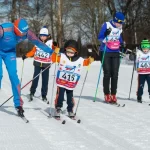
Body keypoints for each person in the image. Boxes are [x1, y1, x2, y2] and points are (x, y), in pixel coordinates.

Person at [0, 18, 53, 117]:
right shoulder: (4, 29)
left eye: (25, 33)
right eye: (21, 33)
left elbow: (38, 43)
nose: (23, 35)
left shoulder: (27, 33)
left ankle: (18, 105)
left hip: (10, 53)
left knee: (14, 77)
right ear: (15, 29)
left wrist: (51, 52)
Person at [50, 39, 94, 119]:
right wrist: (55, 52)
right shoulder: (62, 57)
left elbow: (85, 62)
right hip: (61, 82)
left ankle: (70, 109)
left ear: (75, 52)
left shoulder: (79, 60)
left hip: (70, 83)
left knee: (70, 96)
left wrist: (89, 61)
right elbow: (53, 59)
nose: (69, 54)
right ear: (65, 50)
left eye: (72, 52)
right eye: (68, 52)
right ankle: (58, 108)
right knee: (60, 95)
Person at [98, 12, 125, 103]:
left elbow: (119, 38)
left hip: (115, 51)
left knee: (115, 74)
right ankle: (107, 94)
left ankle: (113, 94)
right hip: (105, 51)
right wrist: (106, 34)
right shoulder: (106, 25)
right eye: (119, 22)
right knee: (107, 73)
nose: (120, 24)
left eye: (121, 23)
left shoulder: (120, 28)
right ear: (115, 20)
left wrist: (122, 43)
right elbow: (100, 37)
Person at [22, 26, 54, 102]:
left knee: (45, 80)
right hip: (37, 63)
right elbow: (33, 51)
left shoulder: (51, 43)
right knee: (35, 78)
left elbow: (55, 51)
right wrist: (26, 55)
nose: (43, 37)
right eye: (41, 36)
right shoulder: (37, 42)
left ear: (48, 36)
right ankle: (32, 92)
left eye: (44, 36)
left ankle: (44, 95)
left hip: (46, 65)